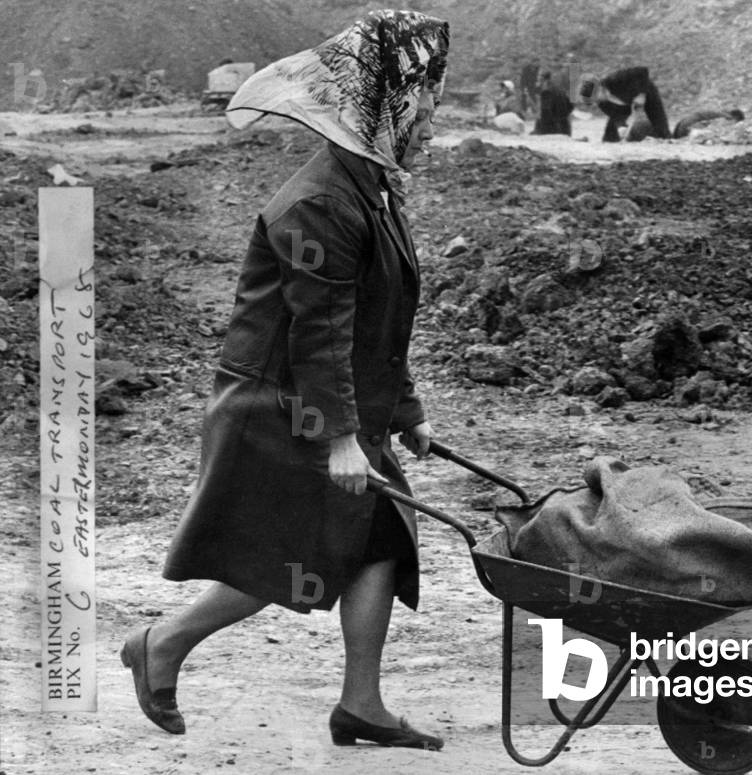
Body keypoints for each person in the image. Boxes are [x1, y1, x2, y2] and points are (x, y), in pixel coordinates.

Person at [119, 9, 450, 752]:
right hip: (283, 405)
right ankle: (163, 643)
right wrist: (338, 439)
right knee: (286, 553)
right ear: (382, 107)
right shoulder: (323, 202)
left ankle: (360, 703)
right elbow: (319, 326)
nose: (429, 124)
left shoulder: (371, 187)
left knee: (380, 538)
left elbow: (378, 315)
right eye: (421, 107)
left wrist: (405, 407)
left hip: (333, 401)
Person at [578, 66, 670, 143]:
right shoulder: (602, 104)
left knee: (660, 125)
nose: (597, 101)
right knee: (610, 136)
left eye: (596, 97)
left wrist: (641, 94)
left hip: (646, 92)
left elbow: (643, 71)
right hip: (623, 106)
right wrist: (621, 127)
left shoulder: (615, 79)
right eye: (594, 100)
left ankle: (667, 138)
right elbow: (616, 116)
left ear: (600, 88)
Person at [532, 71, 572, 135]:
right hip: (565, 127)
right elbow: (570, 106)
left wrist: (539, 128)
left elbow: (545, 111)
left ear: (543, 80)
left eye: (538, 80)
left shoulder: (546, 92)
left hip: (552, 128)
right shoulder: (560, 90)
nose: (537, 83)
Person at [672, 108, 745, 138]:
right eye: (736, 122)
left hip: (681, 127)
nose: (734, 124)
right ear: (736, 118)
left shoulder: (720, 113)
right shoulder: (727, 117)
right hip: (686, 129)